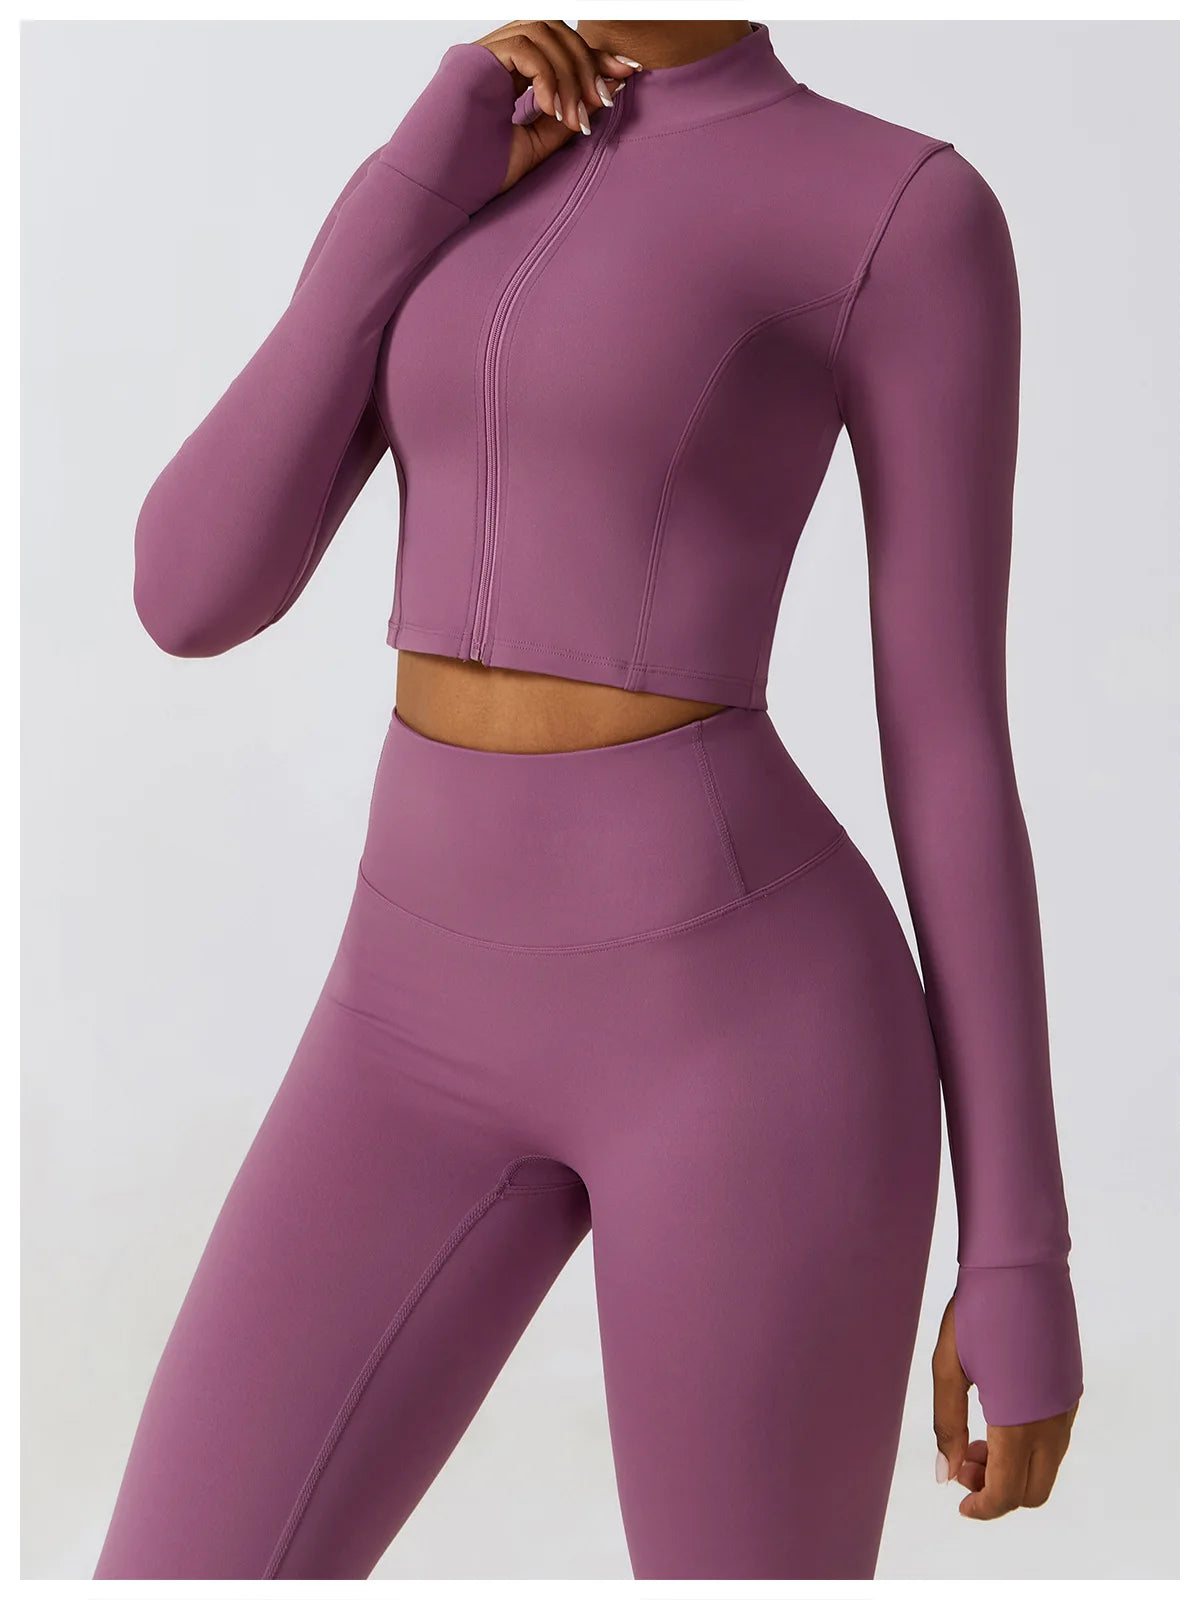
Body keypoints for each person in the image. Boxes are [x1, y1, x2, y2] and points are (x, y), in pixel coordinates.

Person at [92, 18, 1083, 1581]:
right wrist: (419, 174)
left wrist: (1020, 1246)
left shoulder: (895, 205)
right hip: (400, 1018)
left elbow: (950, 738)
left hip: (741, 1036)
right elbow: (190, 590)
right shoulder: (466, 158)